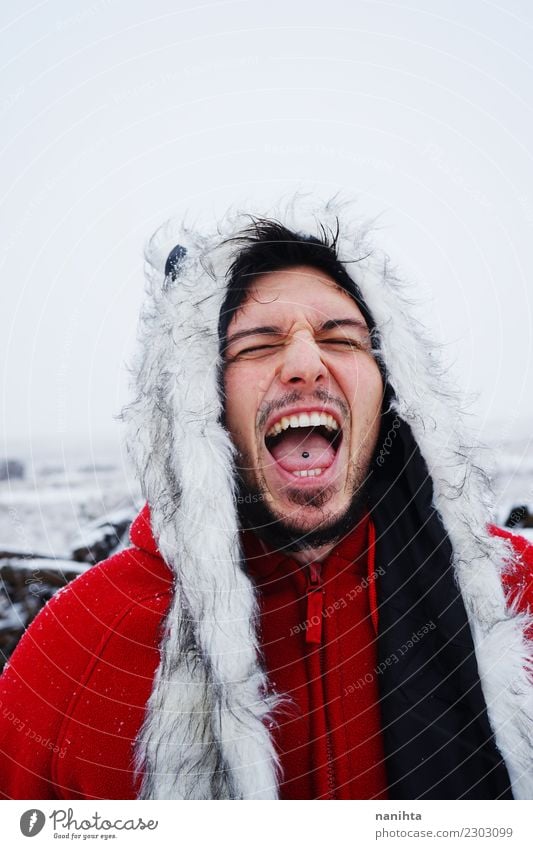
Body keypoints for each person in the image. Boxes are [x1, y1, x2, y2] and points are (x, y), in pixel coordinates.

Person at [1, 197, 532, 801]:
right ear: (200, 401)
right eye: (257, 345)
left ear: (391, 389)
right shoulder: (76, 651)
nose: (306, 363)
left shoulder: (516, 595)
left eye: (342, 338)